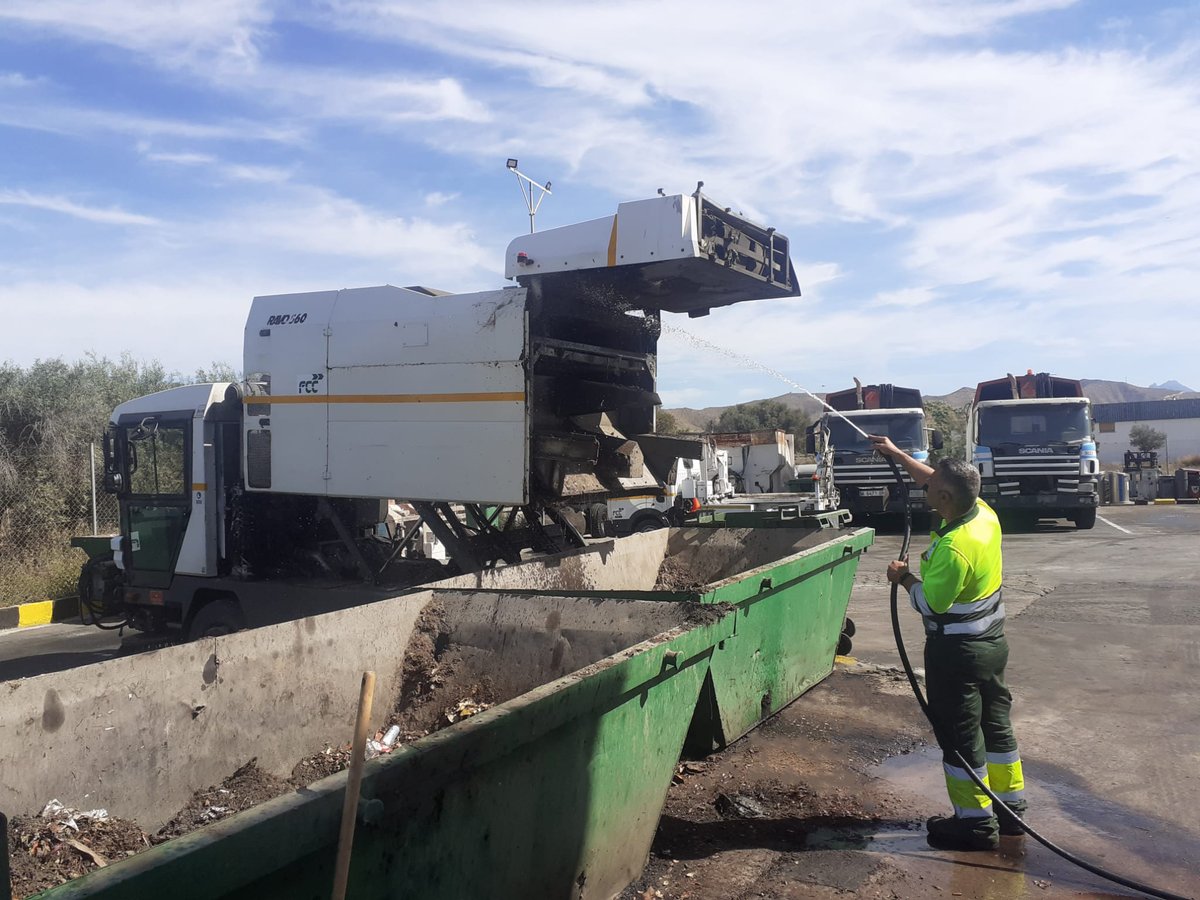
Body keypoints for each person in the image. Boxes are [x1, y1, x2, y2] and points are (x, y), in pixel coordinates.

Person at [870, 434, 1027, 851]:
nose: (924, 490)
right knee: (995, 726)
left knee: (960, 736)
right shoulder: (983, 514)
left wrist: (902, 577)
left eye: (931, 488)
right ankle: (1010, 810)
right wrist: (898, 454)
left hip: (958, 653)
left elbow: (931, 604)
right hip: (992, 645)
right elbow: (936, 480)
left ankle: (974, 824)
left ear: (943, 495)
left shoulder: (955, 547)